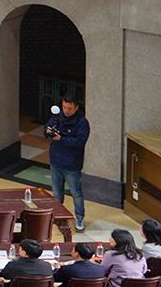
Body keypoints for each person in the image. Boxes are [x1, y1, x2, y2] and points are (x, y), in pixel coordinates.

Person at [45, 93, 91, 230]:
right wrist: (48, 131)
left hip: (72, 164)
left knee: (76, 193)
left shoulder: (82, 122)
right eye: (64, 107)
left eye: (69, 108)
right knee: (57, 193)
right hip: (56, 160)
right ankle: (58, 216)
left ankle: (80, 218)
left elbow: (80, 142)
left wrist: (62, 139)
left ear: (76, 107)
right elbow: (47, 129)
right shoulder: (57, 117)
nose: (66, 110)